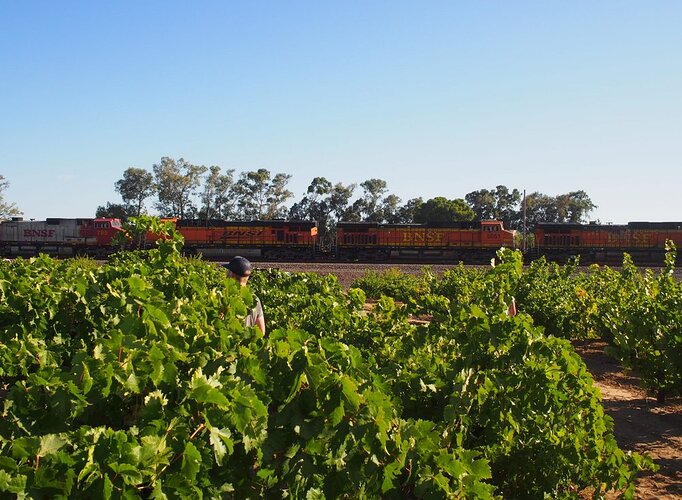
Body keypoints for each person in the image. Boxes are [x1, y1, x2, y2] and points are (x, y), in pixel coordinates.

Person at [224, 256, 266, 335]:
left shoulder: (225, 297)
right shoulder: (255, 299)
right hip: (246, 345)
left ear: (231, 275)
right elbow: (261, 332)